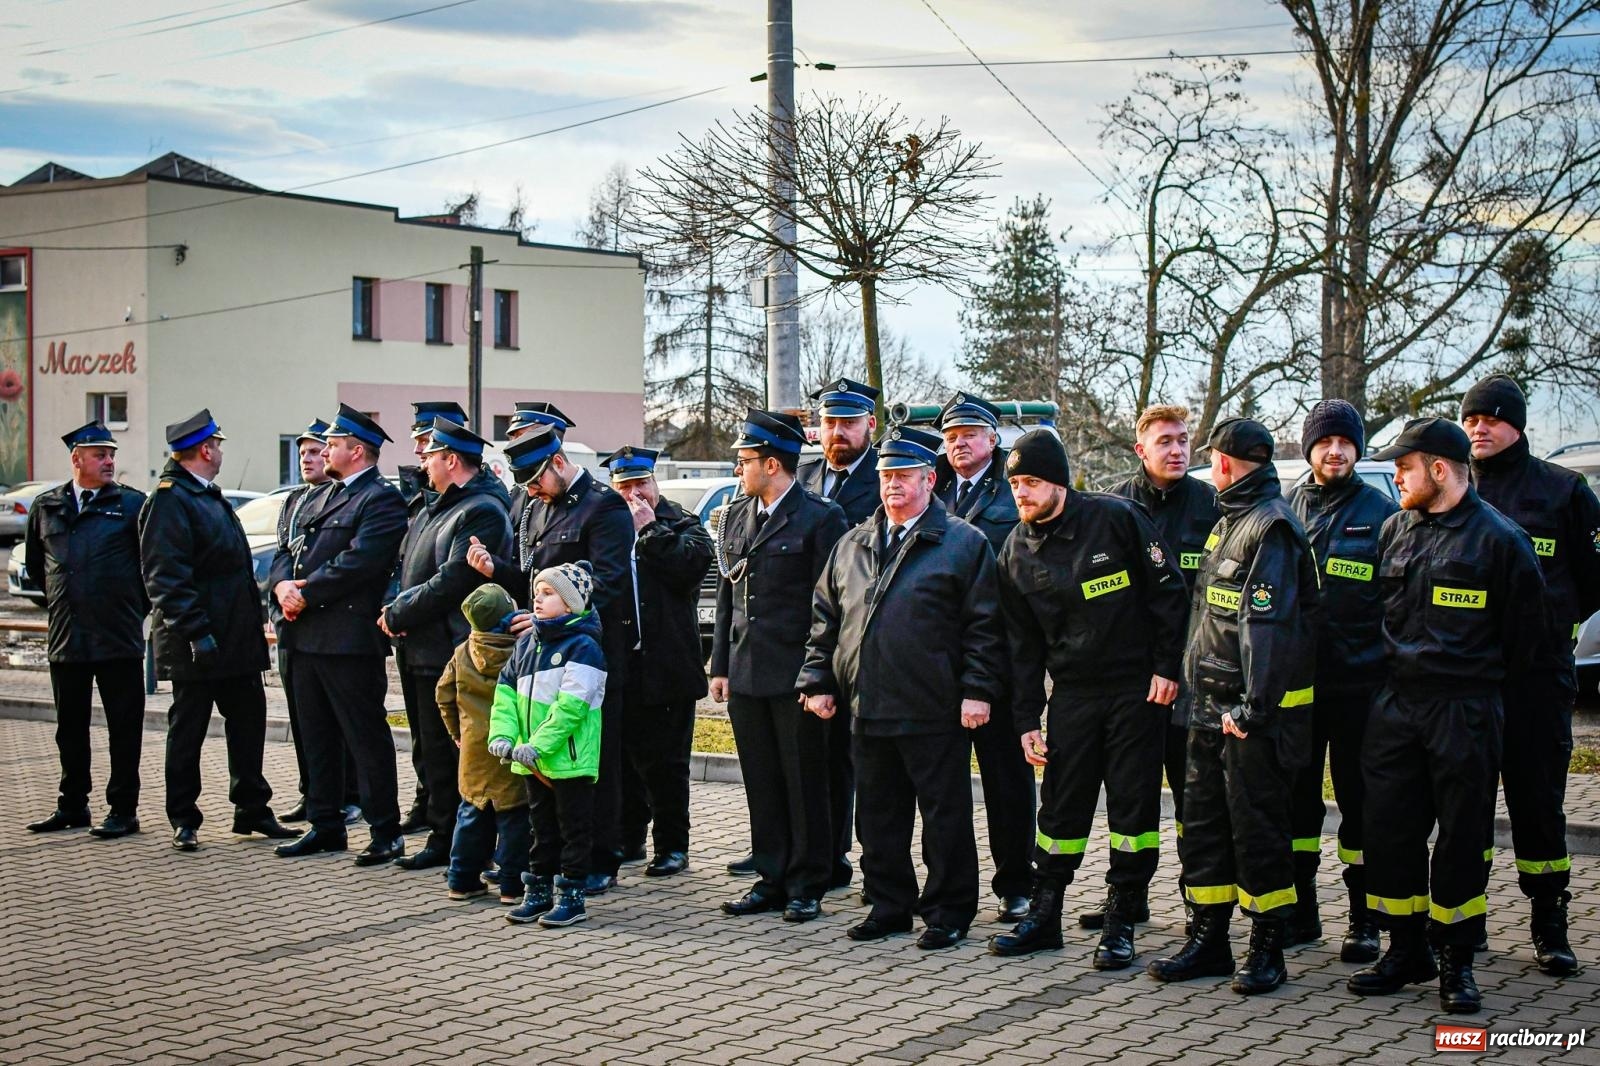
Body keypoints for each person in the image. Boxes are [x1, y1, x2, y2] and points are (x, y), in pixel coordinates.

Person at [1351, 417, 1553, 1014]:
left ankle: (1456, 960)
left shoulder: (1500, 541)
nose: (1396, 477)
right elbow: (1375, 618)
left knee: (1462, 837)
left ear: (1439, 470)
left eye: (1405, 468)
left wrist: (1485, 702)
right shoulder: (1395, 530)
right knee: (1389, 831)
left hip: (1463, 709)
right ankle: (1404, 948)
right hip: (1396, 708)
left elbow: (1530, 646)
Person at [798, 425, 1004, 950]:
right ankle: (889, 904)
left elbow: (984, 626)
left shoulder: (962, 543)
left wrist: (977, 690)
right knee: (878, 817)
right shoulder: (853, 544)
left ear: (929, 480)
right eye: (887, 476)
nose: (892, 485)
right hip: (866, 705)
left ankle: (948, 910)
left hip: (934, 707)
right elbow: (825, 620)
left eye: (904, 476)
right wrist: (818, 679)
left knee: (944, 816)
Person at [989, 429, 1188, 969]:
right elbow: (1020, 647)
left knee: (1132, 810)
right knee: (1060, 808)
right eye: (1014, 484)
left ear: (1057, 481)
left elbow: (1170, 594)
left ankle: (1121, 919)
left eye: (1031, 482)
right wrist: (1027, 717)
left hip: (1135, 693)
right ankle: (1045, 915)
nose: (1022, 494)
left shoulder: (1116, 519)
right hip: (1073, 696)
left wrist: (1166, 668)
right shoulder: (1014, 550)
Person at [1147, 417, 1317, 995]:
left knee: (1258, 834)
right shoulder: (1231, 521)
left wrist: (1253, 710)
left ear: (1221, 462)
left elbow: (1268, 631)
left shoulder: (1271, 528)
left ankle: (1267, 947)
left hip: (1248, 720)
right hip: (1205, 709)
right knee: (1205, 831)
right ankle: (1208, 941)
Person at [1462, 375, 1600, 977]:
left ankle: (1550, 925)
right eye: (1470, 420)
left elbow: (1594, 581)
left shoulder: (1563, 490)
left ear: (1516, 424)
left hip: (1538, 683)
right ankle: (1468, 924)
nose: (1478, 429)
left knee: (1537, 804)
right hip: (1469, 680)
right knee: (1464, 807)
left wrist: (1552, 624)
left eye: (1491, 419)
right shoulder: (1453, 490)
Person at [468, 422, 635, 894]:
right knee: (543, 762)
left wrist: (551, 618)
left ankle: (601, 858)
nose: (531, 491)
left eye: (535, 480)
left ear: (558, 463)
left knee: (589, 762)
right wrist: (499, 574)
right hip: (542, 657)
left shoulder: (604, 506)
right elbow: (534, 578)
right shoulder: (538, 508)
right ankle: (554, 858)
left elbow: (608, 583)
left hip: (587, 653)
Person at [712, 409, 848, 924]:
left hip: (797, 674)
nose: (738, 470)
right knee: (762, 781)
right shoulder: (740, 514)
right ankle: (771, 875)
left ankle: (807, 881)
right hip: (748, 672)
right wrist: (720, 665)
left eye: (745, 461)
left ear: (772, 464)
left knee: (803, 781)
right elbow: (730, 593)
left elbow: (830, 606)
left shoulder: (820, 517)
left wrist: (819, 677)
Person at [139, 409, 297, 852]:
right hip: (199, 642)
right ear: (205, 449)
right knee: (188, 728)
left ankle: (251, 808)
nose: (221, 452)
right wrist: (195, 632)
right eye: (219, 445)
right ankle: (184, 818)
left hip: (235, 640)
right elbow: (165, 577)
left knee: (247, 723)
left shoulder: (205, 495)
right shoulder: (170, 499)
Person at [271, 405, 409, 867]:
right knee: (316, 737)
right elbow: (287, 550)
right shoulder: (318, 497)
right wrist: (280, 586)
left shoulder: (379, 499)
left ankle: (385, 831)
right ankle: (325, 825)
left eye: (331, 444)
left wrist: (307, 594)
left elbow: (362, 560)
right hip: (305, 636)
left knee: (364, 737)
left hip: (348, 640)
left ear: (357, 450)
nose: (324, 450)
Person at [1285, 401, 1397, 959]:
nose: (1335, 452)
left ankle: (1364, 920)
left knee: (1361, 803)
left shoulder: (1381, 513)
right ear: (1310, 448)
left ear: (1357, 449)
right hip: (1299, 687)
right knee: (1298, 805)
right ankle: (1302, 913)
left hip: (1360, 687)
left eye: (1345, 444)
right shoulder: (1285, 508)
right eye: (1326, 442)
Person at [1104, 404, 1219, 933]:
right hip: (1132, 681)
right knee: (1132, 797)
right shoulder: (1114, 508)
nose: (1176, 450)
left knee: (1196, 801)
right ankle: (1128, 898)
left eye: (1182, 440)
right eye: (1165, 442)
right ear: (1140, 449)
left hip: (1195, 681)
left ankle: (1200, 903)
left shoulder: (1211, 507)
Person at [382, 417, 511, 870]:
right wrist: (393, 609)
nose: (423, 459)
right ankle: (440, 833)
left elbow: (454, 580)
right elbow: (405, 571)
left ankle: (459, 842)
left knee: (454, 751)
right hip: (419, 649)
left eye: (430, 454)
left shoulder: (481, 510)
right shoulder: (430, 508)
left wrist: (398, 612)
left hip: (452, 650)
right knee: (428, 750)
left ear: (451, 460)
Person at [933, 391, 1036, 924]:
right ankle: (948, 886)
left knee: (1007, 783)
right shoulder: (935, 491)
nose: (959, 445)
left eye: (969, 435)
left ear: (993, 440)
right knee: (944, 786)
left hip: (1001, 660)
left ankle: (1017, 883)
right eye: (950, 438)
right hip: (942, 663)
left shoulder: (1010, 494)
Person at [24, 421, 148, 839]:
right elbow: (38, 568)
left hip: (118, 636)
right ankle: (72, 806)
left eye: (111, 453)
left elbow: (150, 566)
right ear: (77, 459)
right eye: (100, 454)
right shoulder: (47, 506)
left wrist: (131, 608)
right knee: (70, 730)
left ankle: (123, 810)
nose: (110, 460)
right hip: (68, 636)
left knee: (123, 729)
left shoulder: (131, 505)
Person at [605, 446, 714, 877]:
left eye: (640, 484)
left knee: (667, 766)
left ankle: (672, 846)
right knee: (622, 761)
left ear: (654, 484)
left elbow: (690, 567)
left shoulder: (682, 523)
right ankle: (628, 838)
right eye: (624, 487)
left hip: (668, 666)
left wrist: (650, 531)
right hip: (621, 663)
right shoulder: (607, 528)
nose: (634, 494)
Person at [795, 378, 880, 890]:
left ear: (870, 424)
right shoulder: (803, 474)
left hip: (861, 634)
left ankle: (864, 860)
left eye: (849, 423)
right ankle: (818, 853)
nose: (838, 432)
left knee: (859, 758)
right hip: (808, 632)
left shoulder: (884, 476)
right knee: (812, 754)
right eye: (830, 423)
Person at [490, 562, 608, 928]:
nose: (538, 601)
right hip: (532, 759)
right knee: (540, 829)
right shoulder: (527, 644)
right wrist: (503, 735)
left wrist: (538, 744)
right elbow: (505, 694)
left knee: (572, 830)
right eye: (537, 592)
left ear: (571, 604)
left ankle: (572, 895)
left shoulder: (584, 647)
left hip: (567, 759)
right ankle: (537, 890)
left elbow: (571, 707)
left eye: (548, 594)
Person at [272, 418, 360, 827]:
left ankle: (347, 796)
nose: (309, 458)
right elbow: (282, 557)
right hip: (293, 625)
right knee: (304, 718)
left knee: (336, 722)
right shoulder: (294, 501)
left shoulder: (339, 498)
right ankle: (313, 793)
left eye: (315, 450)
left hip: (326, 623)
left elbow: (338, 564)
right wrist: (280, 592)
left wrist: (302, 594)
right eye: (303, 452)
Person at [436, 582, 529, 904]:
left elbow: (443, 694)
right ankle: (511, 886)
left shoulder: (463, 652)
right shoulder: (522, 650)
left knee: (471, 813)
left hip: (474, 747)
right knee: (514, 818)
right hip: (512, 744)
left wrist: (456, 732)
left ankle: (461, 880)